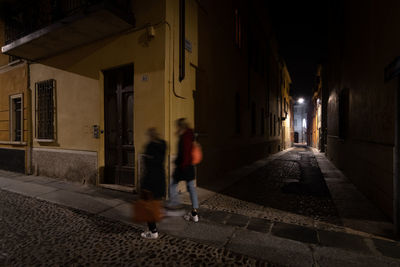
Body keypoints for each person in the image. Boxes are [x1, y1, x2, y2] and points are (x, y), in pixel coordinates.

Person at [169, 118, 199, 222]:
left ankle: (175, 206)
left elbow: (184, 153)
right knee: (191, 189)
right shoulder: (190, 135)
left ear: (180, 126)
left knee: (172, 184)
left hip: (183, 167)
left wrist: (179, 164)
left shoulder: (184, 136)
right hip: (189, 166)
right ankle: (194, 214)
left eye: (177, 126)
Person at [140, 128, 166, 239]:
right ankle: (156, 218)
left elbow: (148, 166)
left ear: (150, 136)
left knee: (148, 206)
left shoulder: (150, 146)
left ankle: (153, 231)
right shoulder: (164, 145)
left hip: (151, 180)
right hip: (160, 179)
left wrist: (144, 184)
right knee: (155, 203)